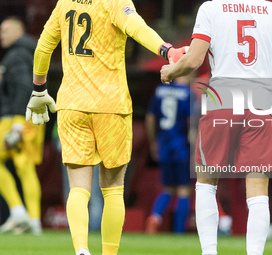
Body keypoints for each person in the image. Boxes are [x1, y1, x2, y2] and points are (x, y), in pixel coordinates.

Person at [25, 1, 186, 255]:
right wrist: (167, 51)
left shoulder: (65, 2)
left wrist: (39, 89)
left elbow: (44, 46)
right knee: (113, 189)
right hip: (111, 105)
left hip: (72, 105)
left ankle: (80, 249)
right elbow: (137, 27)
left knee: (78, 188)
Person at [161, 1, 272, 254]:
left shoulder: (211, 8)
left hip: (222, 101)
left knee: (207, 182)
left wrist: (170, 72)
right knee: (258, 191)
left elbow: (194, 60)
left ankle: (209, 252)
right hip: (262, 105)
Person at [0, 16, 44, 235]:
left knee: (21, 167)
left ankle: (19, 212)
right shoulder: (31, 52)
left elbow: (24, 87)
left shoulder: (16, 55)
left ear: (19, 31)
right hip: (32, 116)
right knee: (25, 168)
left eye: (5, 31)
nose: (2, 36)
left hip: (18, 118)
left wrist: (17, 123)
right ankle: (32, 219)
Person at [145, 75, 192, 234]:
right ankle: (179, 232)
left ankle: (155, 216)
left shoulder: (160, 90)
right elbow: (191, 122)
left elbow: (150, 118)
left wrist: (153, 142)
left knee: (167, 188)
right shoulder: (187, 93)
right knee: (184, 190)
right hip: (181, 146)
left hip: (164, 145)